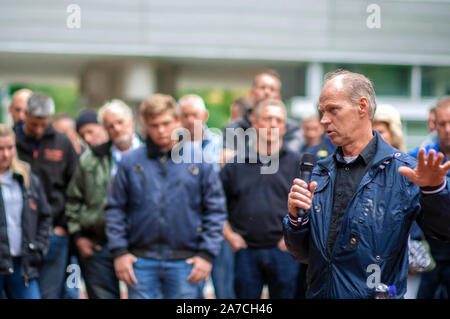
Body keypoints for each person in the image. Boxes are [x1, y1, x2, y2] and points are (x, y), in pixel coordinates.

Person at [284, 69, 450, 299]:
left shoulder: (404, 171)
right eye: (322, 112)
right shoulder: (319, 172)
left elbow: (443, 232)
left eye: (333, 110)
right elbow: (301, 253)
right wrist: (296, 218)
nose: (323, 120)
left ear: (362, 106)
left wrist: (434, 191)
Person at [105, 94, 226, 299]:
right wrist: (120, 253)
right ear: (145, 125)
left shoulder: (199, 161)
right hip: (140, 261)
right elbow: (115, 209)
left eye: (166, 123)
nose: (161, 130)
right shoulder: (130, 162)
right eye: (154, 125)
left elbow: (215, 210)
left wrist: (206, 255)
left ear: (178, 121)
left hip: (186, 262)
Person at [221, 99, 301, 299]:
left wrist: (295, 238)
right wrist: (229, 235)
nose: (273, 124)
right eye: (267, 118)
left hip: (284, 251)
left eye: (278, 120)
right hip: (245, 251)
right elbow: (214, 204)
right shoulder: (234, 165)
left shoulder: (297, 164)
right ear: (255, 123)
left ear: (284, 127)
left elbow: (310, 206)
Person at [66, 99, 140, 299]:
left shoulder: (152, 156)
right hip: (99, 245)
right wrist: (79, 237)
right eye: (110, 125)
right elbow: (73, 200)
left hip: (141, 245)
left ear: (131, 121)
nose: (116, 128)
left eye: (120, 122)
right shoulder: (90, 160)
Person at [14, 92, 78, 299]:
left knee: (50, 293)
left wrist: (63, 226)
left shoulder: (63, 143)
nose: (39, 130)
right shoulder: (11, 142)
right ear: (26, 115)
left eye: (43, 124)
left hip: (53, 233)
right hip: (18, 234)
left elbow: (75, 188)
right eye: (34, 125)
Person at [0, 124, 51, 299]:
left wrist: (38, 247)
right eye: (0, 149)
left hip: (22, 264)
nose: (5, 154)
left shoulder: (26, 176)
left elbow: (45, 215)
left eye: (9, 148)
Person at [412, 96, 450, 299]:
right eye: (442, 123)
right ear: (434, 124)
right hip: (429, 255)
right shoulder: (420, 158)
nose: (448, 129)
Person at [223, 70, 304, 159]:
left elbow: (287, 158)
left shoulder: (293, 129)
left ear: (279, 97)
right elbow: (228, 160)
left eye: (272, 89)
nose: (267, 92)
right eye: (262, 87)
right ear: (252, 94)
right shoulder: (233, 128)